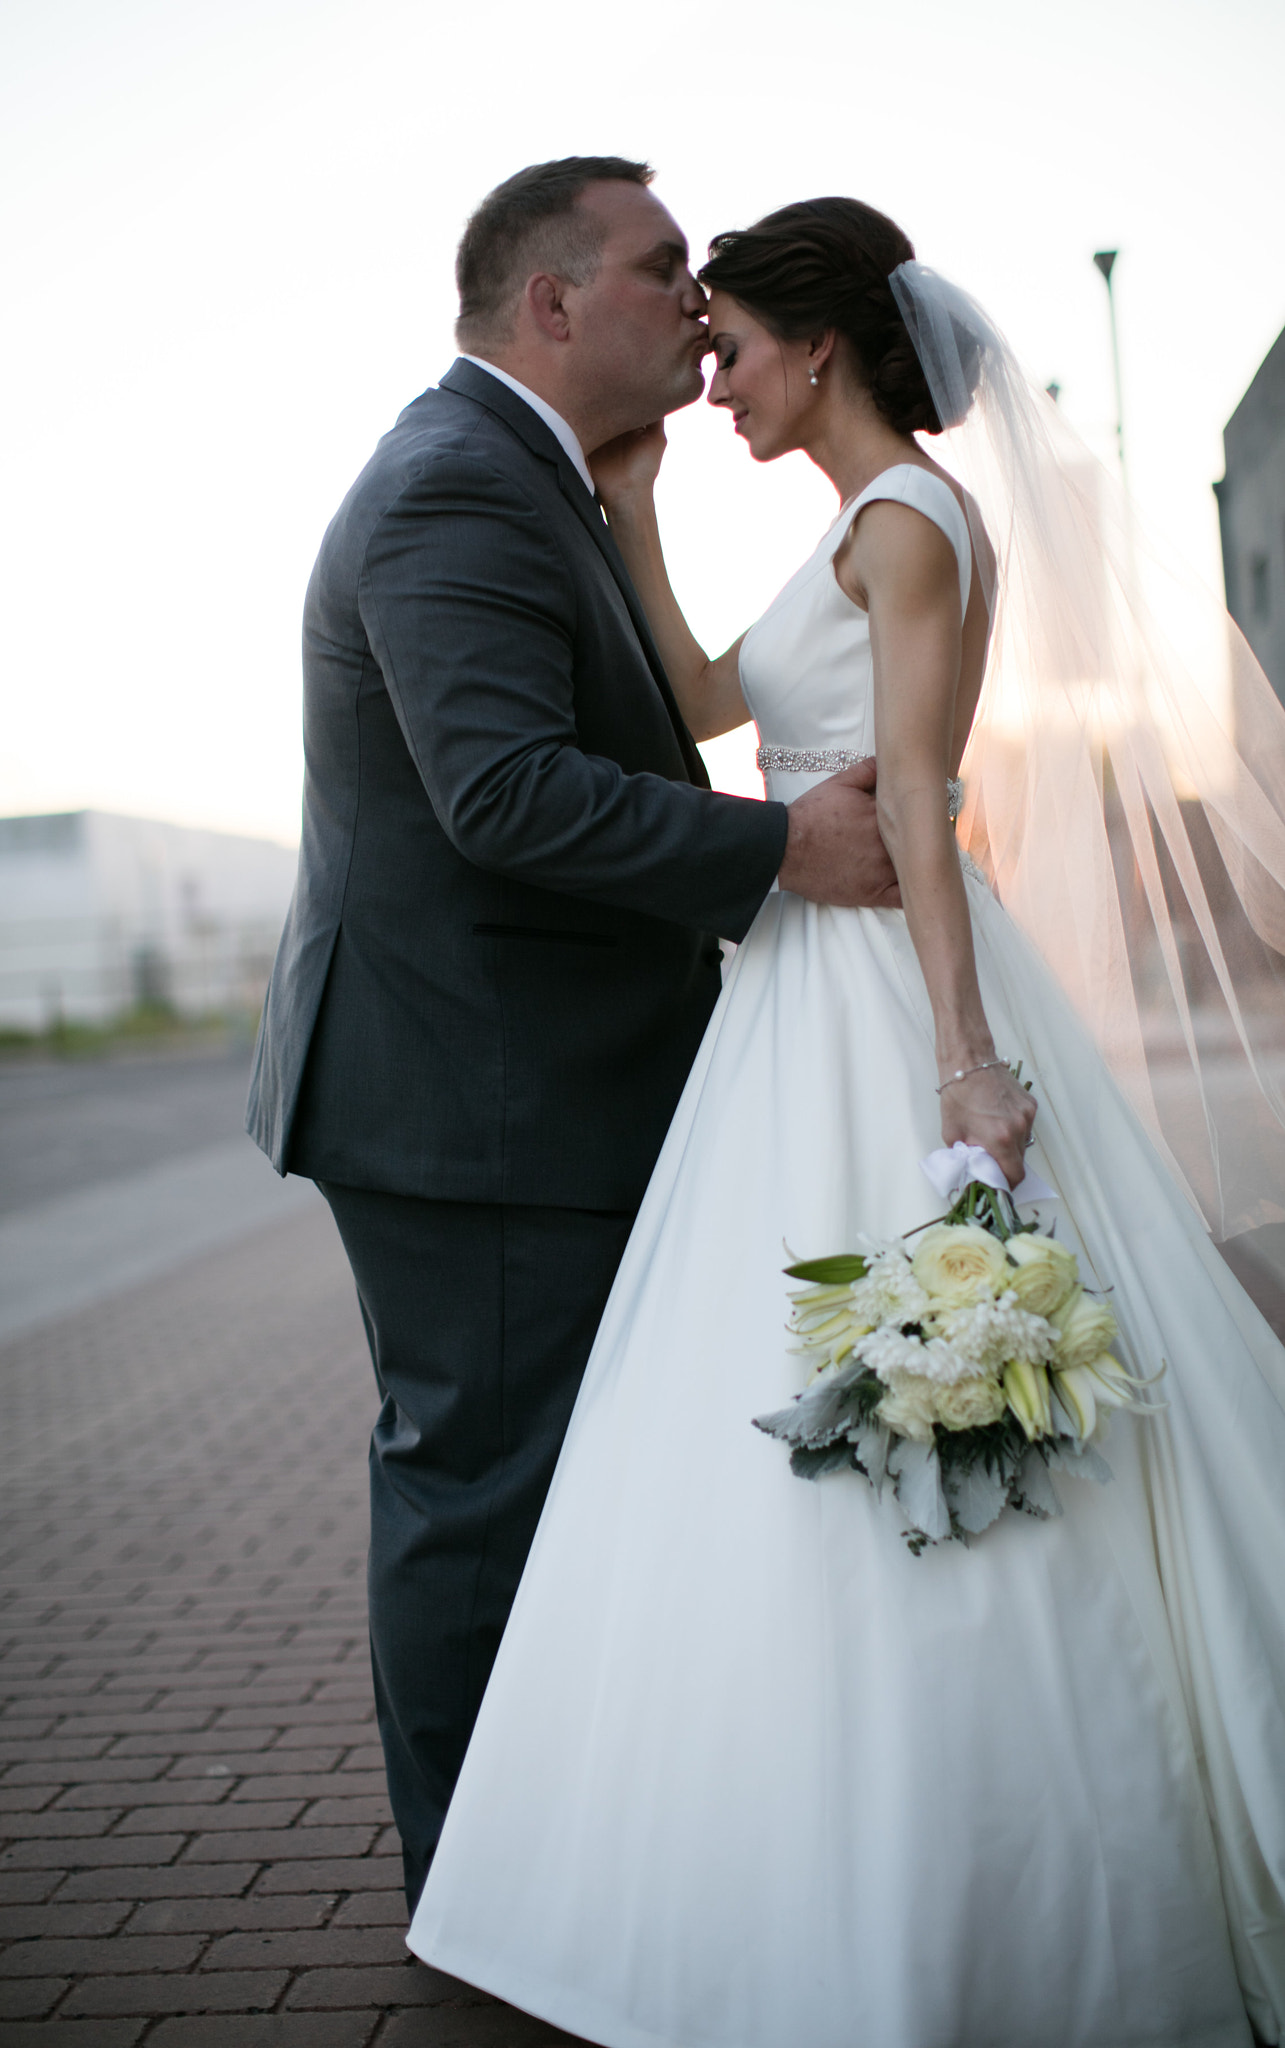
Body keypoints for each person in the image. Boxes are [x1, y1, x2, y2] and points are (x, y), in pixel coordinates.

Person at [407, 198, 1285, 2046]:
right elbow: (721, 702)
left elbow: (910, 793)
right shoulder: (850, 533)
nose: (709, 375)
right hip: (788, 989)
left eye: (727, 345)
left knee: (919, 1346)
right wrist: (637, 517)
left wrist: (964, 1061)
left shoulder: (909, 527)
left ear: (822, 348)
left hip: (880, 986)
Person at [245, 159, 902, 1910]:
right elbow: (507, 794)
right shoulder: (454, 491)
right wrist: (781, 850)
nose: (697, 303)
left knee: (546, 1484)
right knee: (480, 1493)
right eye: (660, 268)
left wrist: (634, 508)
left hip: (524, 1089)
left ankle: (563, 1858)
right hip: (472, 1103)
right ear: (551, 304)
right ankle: (482, 1897)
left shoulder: (529, 478)